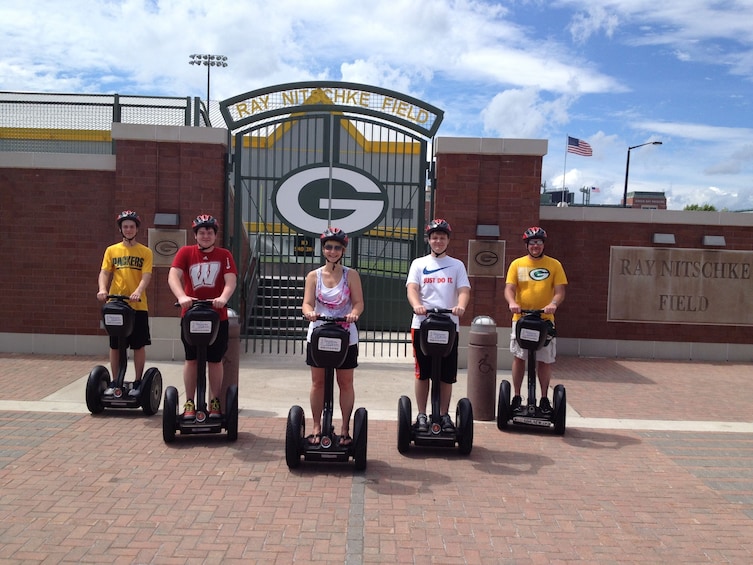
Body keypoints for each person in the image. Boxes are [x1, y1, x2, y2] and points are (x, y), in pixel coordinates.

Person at [168, 214, 238, 419]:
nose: (205, 235)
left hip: (218, 317)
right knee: (191, 360)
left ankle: (214, 401)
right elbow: (173, 276)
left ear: (215, 235)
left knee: (215, 360)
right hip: (191, 314)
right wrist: (182, 296)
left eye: (209, 232)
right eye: (201, 232)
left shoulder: (224, 254)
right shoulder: (185, 252)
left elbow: (230, 281)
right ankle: (189, 401)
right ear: (195, 235)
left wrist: (223, 298)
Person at [406, 219, 471, 433]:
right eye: (434, 237)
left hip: (448, 325)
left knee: (446, 374)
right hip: (422, 324)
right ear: (429, 240)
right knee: (422, 373)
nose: (438, 241)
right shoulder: (419, 263)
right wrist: (417, 305)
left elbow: (464, 291)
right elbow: (413, 289)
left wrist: (460, 307)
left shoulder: (457, 265)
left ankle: (444, 415)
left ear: (448, 240)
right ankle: (422, 414)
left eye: (442, 237)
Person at [302, 227, 364, 446]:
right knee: (318, 382)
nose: (332, 251)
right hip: (319, 333)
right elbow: (307, 302)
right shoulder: (313, 276)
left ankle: (346, 429)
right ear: (323, 249)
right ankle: (316, 427)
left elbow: (358, 303)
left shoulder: (351, 275)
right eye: (328, 247)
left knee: (345, 382)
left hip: (345, 335)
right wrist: (309, 312)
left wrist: (353, 314)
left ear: (343, 250)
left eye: (337, 247)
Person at [504, 226, 568, 414]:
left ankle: (544, 398)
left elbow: (560, 291)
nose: (535, 246)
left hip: (545, 320)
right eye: (532, 243)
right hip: (522, 318)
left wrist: (554, 304)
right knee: (519, 357)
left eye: (539, 243)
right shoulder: (517, 264)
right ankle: (516, 396)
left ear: (543, 245)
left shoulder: (554, 264)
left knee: (544, 360)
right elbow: (509, 288)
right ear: (527, 245)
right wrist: (512, 302)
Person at [97, 210, 153, 396]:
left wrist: (138, 291)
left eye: (132, 226)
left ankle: (138, 381)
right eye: (125, 226)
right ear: (120, 229)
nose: (128, 229)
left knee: (138, 344)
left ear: (137, 229)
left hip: (137, 306)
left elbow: (146, 275)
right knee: (115, 345)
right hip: (116, 305)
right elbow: (105, 272)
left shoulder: (145, 252)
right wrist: (103, 289)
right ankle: (115, 381)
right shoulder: (112, 250)